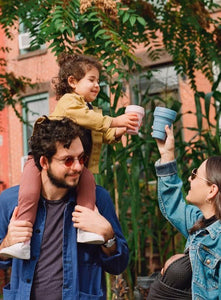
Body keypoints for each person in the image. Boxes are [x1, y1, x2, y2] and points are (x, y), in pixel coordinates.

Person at [0, 52, 138, 259]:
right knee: (28, 194)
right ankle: (21, 238)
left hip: (70, 164)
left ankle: (85, 227)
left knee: (88, 186)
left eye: (98, 81)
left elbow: (104, 133)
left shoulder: (91, 110)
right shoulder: (69, 103)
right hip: (35, 161)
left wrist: (124, 128)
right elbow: (91, 119)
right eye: (91, 80)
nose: (97, 85)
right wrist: (116, 120)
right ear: (72, 82)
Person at [0, 116, 129, 300]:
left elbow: (118, 265)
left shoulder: (98, 200)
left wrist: (108, 237)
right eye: (68, 160)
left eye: (81, 158)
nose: (78, 167)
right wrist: (6, 243)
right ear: (44, 162)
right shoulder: (9, 202)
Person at [147, 124, 221, 300]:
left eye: (195, 174)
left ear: (212, 190)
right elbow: (172, 205)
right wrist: (167, 155)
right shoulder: (200, 222)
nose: (190, 177)